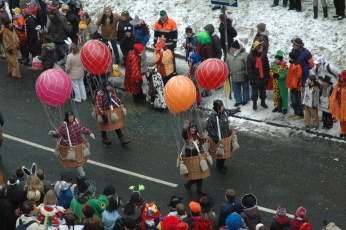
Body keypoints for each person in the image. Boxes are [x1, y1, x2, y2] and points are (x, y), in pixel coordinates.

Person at [49, 111, 95, 177]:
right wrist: (54, 133)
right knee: (70, 161)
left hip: (78, 145)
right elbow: (59, 133)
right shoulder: (64, 125)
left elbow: (83, 129)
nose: (71, 118)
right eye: (69, 117)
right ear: (66, 118)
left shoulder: (77, 122)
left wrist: (90, 133)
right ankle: (69, 172)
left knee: (78, 160)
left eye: (72, 116)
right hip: (69, 147)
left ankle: (78, 170)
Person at [206, 100, 240, 174]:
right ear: (217, 108)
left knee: (225, 153)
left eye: (222, 106)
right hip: (218, 139)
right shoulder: (212, 117)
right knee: (220, 154)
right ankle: (219, 167)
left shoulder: (224, 112)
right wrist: (214, 136)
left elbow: (230, 112)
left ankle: (221, 165)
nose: (223, 107)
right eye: (221, 106)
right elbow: (209, 127)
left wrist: (236, 110)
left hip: (225, 138)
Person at [95, 80, 130, 145]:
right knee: (103, 125)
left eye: (109, 85)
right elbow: (98, 106)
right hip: (104, 111)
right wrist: (102, 115)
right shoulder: (99, 95)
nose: (109, 87)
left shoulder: (111, 90)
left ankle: (121, 138)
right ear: (104, 86)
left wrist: (120, 103)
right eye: (107, 86)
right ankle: (104, 138)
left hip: (111, 110)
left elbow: (115, 98)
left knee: (115, 123)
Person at [181, 120, 207, 196]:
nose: (193, 129)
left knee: (200, 175)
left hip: (197, 156)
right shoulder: (187, 135)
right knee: (193, 175)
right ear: (189, 128)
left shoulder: (197, 134)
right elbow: (183, 134)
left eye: (194, 128)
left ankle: (199, 190)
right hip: (190, 157)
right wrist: (184, 128)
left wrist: (204, 138)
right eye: (191, 128)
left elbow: (201, 143)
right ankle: (188, 185)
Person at [247, 41, 270, 110]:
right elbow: (249, 68)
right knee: (254, 93)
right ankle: (254, 103)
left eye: (261, 46)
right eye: (260, 47)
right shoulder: (250, 56)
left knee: (263, 91)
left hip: (263, 77)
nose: (262, 48)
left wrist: (267, 75)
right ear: (256, 48)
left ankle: (263, 102)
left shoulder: (264, 55)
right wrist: (251, 78)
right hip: (255, 77)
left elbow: (267, 66)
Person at [226, 40, 249, 106]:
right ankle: (238, 101)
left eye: (233, 48)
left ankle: (245, 100)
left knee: (245, 88)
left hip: (243, 75)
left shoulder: (244, 54)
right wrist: (227, 72)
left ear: (237, 48)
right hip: (233, 75)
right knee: (236, 89)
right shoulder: (228, 54)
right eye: (231, 48)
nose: (231, 49)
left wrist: (247, 73)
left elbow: (248, 64)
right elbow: (226, 64)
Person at [287, 51, 304, 120]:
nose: (289, 58)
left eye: (290, 57)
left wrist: (296, 86)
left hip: (296, 86)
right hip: (291, 85)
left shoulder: (297, 65)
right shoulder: (292, 64)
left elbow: (298, 76)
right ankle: (295, 112)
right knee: (293, 100)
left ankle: (300, 114)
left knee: (297, 100)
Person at [329, 70, 346, 139]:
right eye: (340, 78)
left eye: (342, 78)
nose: (341, 79)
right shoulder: (338, 85)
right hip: (340, 107)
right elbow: (333, 95)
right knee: (342, 121)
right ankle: (343, 132)